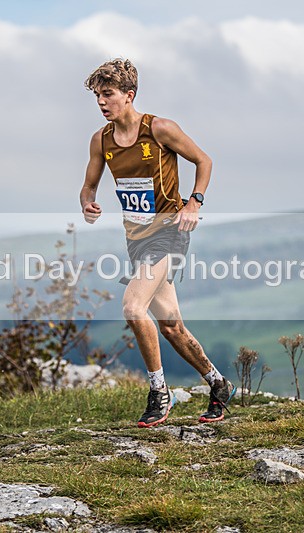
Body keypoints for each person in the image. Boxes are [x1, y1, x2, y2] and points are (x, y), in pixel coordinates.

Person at [79, 58, 236, 428]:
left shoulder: (160, 129)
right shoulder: (101, 140)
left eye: (108, 94)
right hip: (136, 239)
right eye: (98, 96)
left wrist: (194, 202)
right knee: (171, 326)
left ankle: (159, 392)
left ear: (129, 95)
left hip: (169, 234)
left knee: (133, 307)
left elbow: (204, 160)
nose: (101, 103)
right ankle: (219, 384)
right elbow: (88, 184)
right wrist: (87, 202)